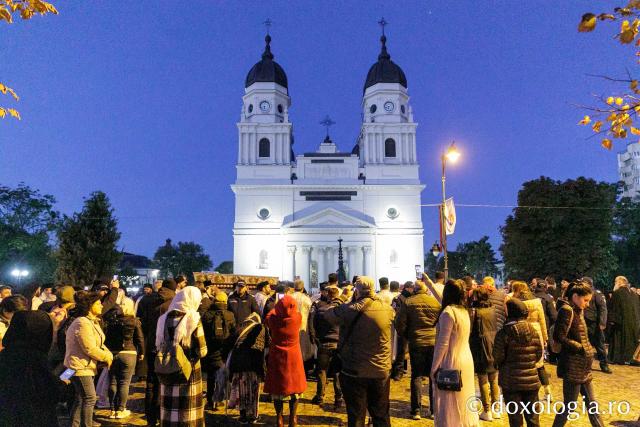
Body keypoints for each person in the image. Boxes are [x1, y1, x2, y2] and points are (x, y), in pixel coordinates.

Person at [324, 276, 395, 427]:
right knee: (381, 415)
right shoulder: (387, 309)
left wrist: (343, 297)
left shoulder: (348, 310)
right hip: (380, 370)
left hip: (354, 370)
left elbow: (327, 314)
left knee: (356, 416)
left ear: (357, 291)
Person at [551, 281, 604, 427]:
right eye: (585, 300)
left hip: (583, 366)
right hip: (573, 365)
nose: (587, 304)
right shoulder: (567, 310)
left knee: (592, 404)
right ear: (575, 296)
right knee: (570, 405)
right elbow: (559, 336)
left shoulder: (577, 310)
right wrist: (579, 347)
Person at [155, 286, 208, 427]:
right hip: (188, 371)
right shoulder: (193, 319)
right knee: (187, 409)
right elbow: (202, 351)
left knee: (170, 407)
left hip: (168, 367)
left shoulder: (163, 319)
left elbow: (159, 343)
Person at [0, 310, 62, 427]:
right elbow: (51, 393)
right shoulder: (35, 359)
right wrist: (62, 383)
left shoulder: (5, 355)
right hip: (34, 418)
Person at [430, 279, 479, 427]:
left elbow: (442, 344)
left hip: (451, 360)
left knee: (449, 401)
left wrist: (433, 368)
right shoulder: (464, 311)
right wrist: (427, 282)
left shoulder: (448, 313)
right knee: (464, 399)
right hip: (466, 358)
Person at [64, 291, 114, 427]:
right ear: (90, 305)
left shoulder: (92, 322)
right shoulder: (82, 322)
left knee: (81, 399)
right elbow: (89, 348)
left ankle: (74, 424)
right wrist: (106, 357)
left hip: (84, 366)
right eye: (98, 303)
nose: (102, 306)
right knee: (90, 398)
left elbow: (100, 344)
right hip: (79, 367)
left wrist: (108, 355)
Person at [493, 298, 543, 427]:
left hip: (510, 382)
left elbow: (498, 357)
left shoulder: (504, 333)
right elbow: (538, 354)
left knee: (515, 419)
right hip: (531, 381)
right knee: (533, 418)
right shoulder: (533, 330)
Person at [395, 281, 440, 420]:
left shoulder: (409, 302)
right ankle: (433, 410)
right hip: (433, 341)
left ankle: (416, 410)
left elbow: (399, 323)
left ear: (414, 289)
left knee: (416, 375)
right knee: (433, 376)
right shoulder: (434, 302)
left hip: (416, 342)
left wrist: (407, 336)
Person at [138, 278, 177, 426]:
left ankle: (150, 419)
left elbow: (141, 323)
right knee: (166, 383)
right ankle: (163, 417)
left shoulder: (147, 300)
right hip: (167, 349)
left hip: (151, 346)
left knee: (151, 384)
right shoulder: (174, 303)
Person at [264, 295, 307, 427]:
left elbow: (267, 317)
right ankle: (293, 418)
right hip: (294, 356)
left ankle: (279, 418)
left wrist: (276, 308)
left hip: (278, 356)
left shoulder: (273, 320)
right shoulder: (297, 318)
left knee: (278, 389)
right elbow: (297, 312)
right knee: (295, 389)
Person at [103, 299, 145, 419]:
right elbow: (140, 338)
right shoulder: (134, 321)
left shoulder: (111, 321)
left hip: (112, 353)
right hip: (129, 353)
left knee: (112, 381)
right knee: (124, 382)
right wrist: (142, 352)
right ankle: (121, 409)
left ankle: (112, 410)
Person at [512, 281, 551, 400]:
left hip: (522, 331)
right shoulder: (537, 301)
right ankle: (548, 392)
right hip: (537, 331)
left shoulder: (516, 302)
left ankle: (526, 392)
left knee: (524, 363)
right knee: (539, 365)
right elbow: (542, 320)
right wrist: (545, 337)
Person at [228, 313, 267, 424]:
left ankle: (243, 415)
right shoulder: (261, 328)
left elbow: (229, 343)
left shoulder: (239, 327)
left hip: (238, 364)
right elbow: (268, 343)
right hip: (254, 364)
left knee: (241, 391)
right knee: (254, 391)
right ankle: (253, 415)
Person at [308, 285, 343, 408]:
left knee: (322, 371)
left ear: (327, 294)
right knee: (338, 372)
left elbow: (311, 321)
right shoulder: (342, 307)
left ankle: (319, 396)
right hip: (338, 343)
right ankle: (338, 398)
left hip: (323, 343)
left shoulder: (319, 306)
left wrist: (314, 337)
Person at [201, 291, 236, 410]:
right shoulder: (230, 315)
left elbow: (203, 332)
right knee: (222, 376)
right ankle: (219, 399)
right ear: (225, 302)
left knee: (210, 377)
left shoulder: (206, 315)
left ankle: (210, 401)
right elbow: (233, 333)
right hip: (223, 351)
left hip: (211, 350)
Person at [469, 287, 499, 421]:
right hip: (493, 345)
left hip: (480, 347)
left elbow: (471, 331)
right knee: (494, 379)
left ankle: (487, 411)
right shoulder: (493, 309)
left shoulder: (475, 312)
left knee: (483, 380)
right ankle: (496, 408)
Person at [581, 277, 612, 374]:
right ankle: (584, 364)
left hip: (594, 323)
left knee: (600, 345)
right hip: (583, 321)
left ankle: (604, 364)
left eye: (583, 283)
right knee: (583, 344)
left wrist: (602, 323)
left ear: (589, 284)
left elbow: (603, 308)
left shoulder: (596, 293)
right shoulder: (581, 292)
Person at [608, 276, 640, 365]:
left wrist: (612, 321)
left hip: (621, 323)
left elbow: (614, 308)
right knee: (630, 342)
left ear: (619, 283)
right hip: (634, 323)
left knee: (618, 340)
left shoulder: (617, 293)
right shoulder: (634, 294)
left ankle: (617, 358)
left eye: (615, 282)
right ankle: (630, 359)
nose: (614, 284)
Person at [391, 281, 414, 380]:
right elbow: (396, 312)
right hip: (403, 328)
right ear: (408, 288)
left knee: (409, 351)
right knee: (401, 351)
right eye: (413, 288)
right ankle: (398, 371)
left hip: (410, 327)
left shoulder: (411, 298)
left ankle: (404, 371)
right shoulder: (398, 299)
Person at [290, 279, 314, 365]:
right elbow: (311, 313)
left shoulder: (289, 297)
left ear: (293, 288)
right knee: (303, 347)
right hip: (304, 326)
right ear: (303, 288)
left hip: (291, 326)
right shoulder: (307, 299)